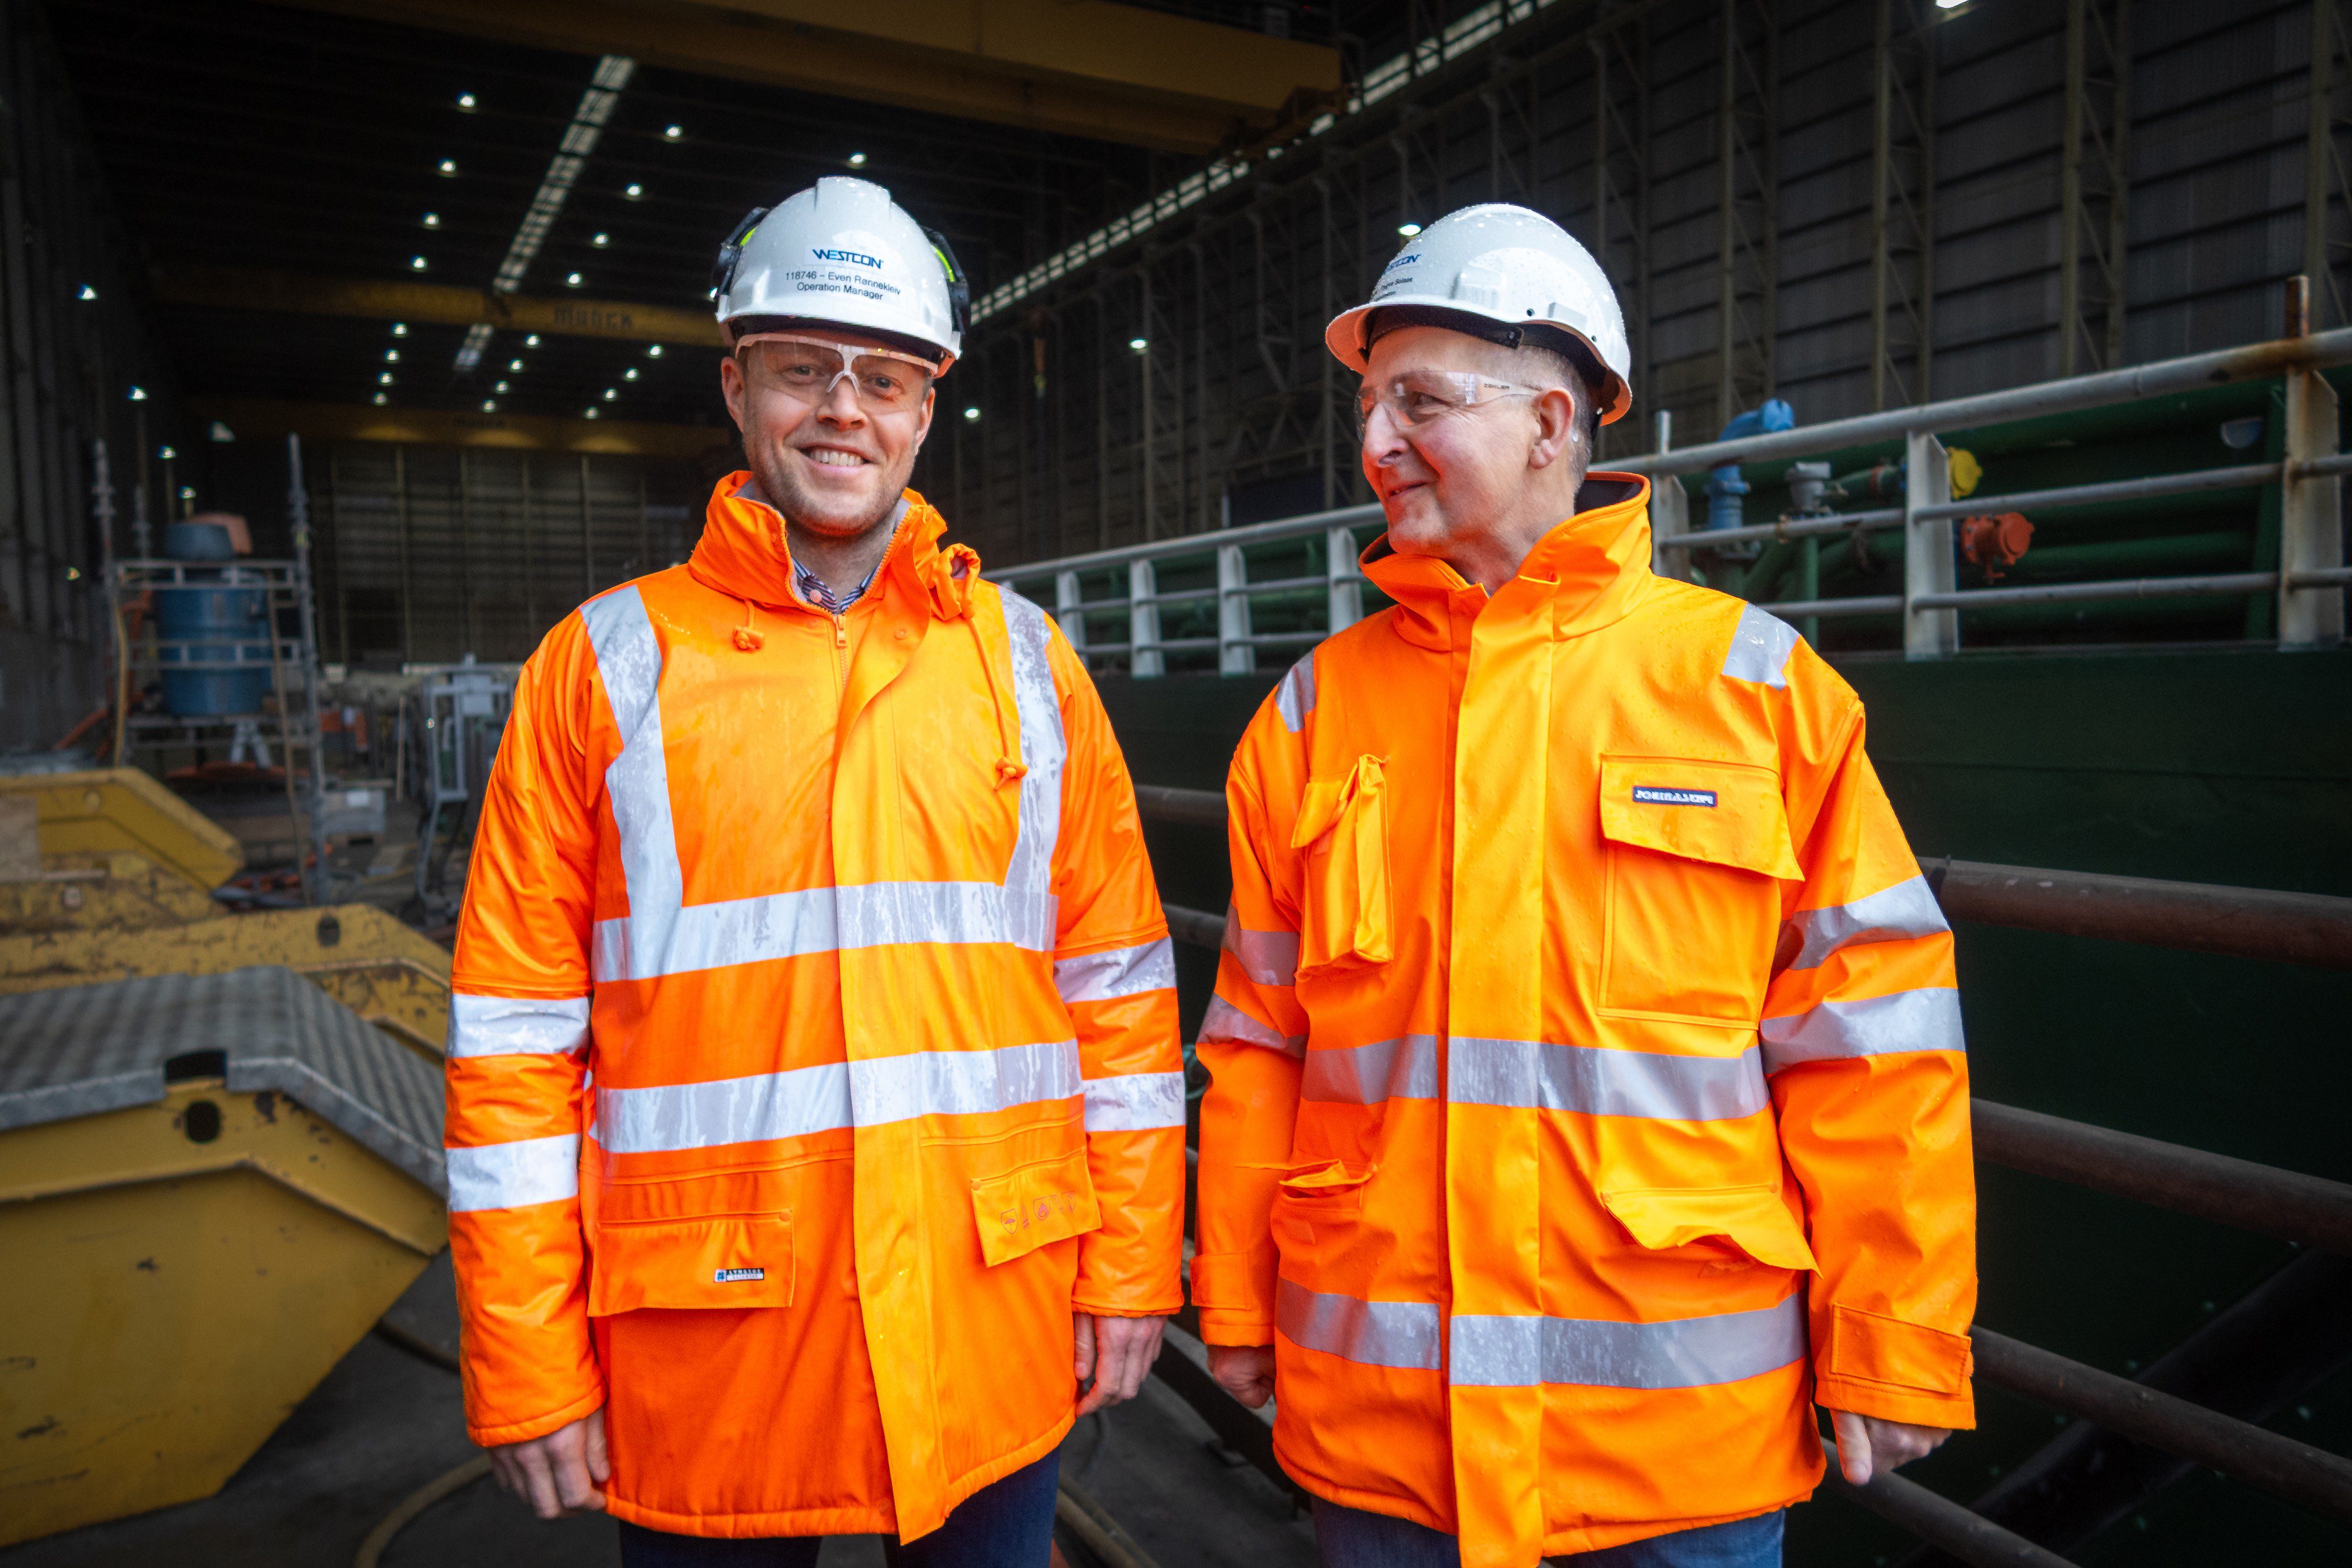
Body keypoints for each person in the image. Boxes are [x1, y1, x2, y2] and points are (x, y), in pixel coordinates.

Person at [1191, 203, 1976, 1568]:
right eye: (1369, 405)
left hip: (1672, 1458)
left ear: (1552, 421)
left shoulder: (1756, 690)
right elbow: (1258, 1042)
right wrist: (1239, 1304)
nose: (1374, 443)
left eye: (1417, 402)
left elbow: (1873, 1043)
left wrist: (1891, 1334)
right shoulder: (1314, 716)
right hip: (1387, 1453)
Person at [442, 176, 1185, 1566]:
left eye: (886, 377)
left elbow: (1121, 996)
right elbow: (512, 1048)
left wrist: (1135, 1261)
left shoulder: (1025, 665)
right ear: (737, 388)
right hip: (716, 1343)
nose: (846, 406)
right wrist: (525, 1354)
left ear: (924, 407)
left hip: (983, 1317)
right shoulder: (601, 668)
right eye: (804, 368)